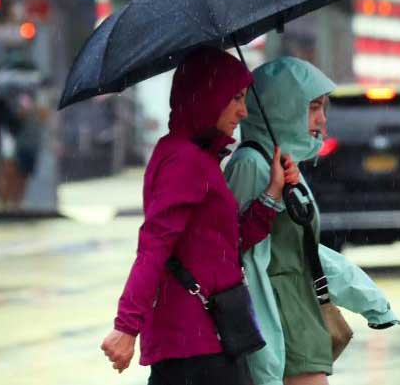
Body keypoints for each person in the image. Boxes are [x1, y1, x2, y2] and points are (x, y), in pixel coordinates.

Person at [100, 47, 300, 385]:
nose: (243, 110)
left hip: (208, 339)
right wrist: (126, 325)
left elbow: (225, 245)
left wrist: (271, 195)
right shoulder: (185, 161)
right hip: (194, 346)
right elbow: (155, 245)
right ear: (208, 95)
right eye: (235, 97)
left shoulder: (197, 158)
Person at [224, 57, 399, 385]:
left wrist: (369, 299)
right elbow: (232, 248)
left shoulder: (286, 164)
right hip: (276, 318)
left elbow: (304, 250)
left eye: (324, 108)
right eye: (313, 107)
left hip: (302, 312)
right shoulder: (251, 165)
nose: (322, 119)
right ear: (281, 108)